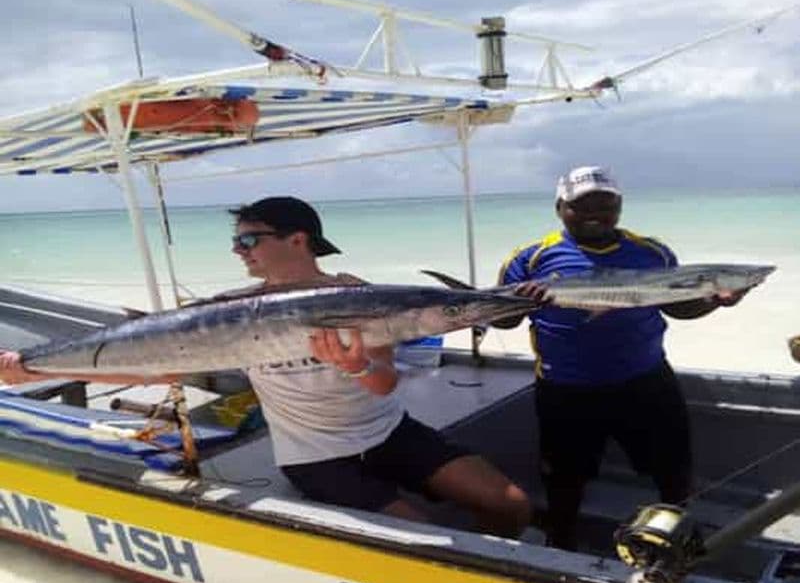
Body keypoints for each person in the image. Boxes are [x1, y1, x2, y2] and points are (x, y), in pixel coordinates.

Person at [0, 196, 530, 538]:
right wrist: (34, 372)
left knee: (512, 506)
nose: (238, 251)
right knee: (434, 537)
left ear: (297, 240)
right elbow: (155, 371)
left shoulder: (360, 297)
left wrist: (354, 367)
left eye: (249, 240)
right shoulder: (227, 312)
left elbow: (384, 380)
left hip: (389, 434)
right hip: (318, 459)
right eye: (236, 242)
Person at [493, 166, 749, 550]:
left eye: (606, 204)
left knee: (674, 471)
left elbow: (677, 308)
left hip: (645, 381)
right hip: (566, 389)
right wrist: (518, 303)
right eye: (583, 205)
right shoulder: (531, 258)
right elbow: (504, 321)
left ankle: (674, 540)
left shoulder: (653, 252)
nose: (596, 213)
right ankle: (561, 546)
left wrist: (715, 301)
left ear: (621, 206)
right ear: (560, 207)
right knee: (565, 480)